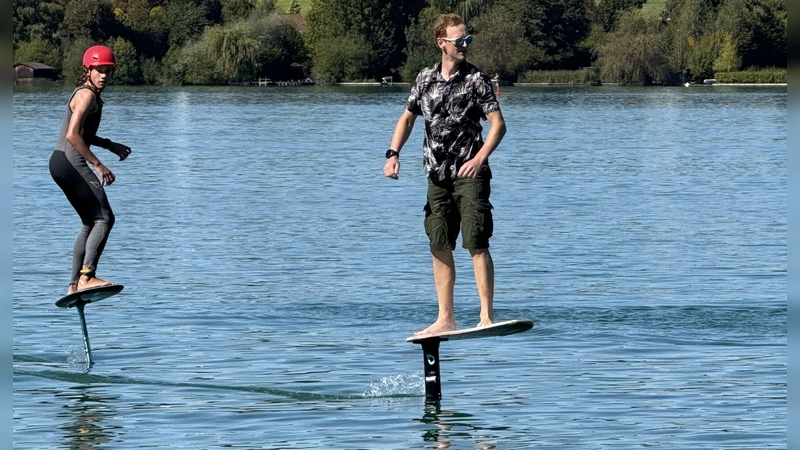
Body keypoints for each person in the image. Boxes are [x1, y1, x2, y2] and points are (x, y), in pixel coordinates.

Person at [383, 13, 506, 336]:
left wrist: (480, 158)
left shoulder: (475, 79)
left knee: (476, 240)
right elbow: (408, 118)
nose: (465, 45)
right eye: (459, 41)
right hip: (436, 175)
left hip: (470, 172)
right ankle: (445, 318)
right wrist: (393, 154)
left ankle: (486, 315)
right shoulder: (425, 79)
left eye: (468, 39)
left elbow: (498, 126)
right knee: (439, 241)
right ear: (442, 44)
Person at [49, 45, 132, 295]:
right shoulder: (86, 95)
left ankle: (73, 285)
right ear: (88, 69)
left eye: (108, 70)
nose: (104, 75)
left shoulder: (90, 95)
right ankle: (88, 276)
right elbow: (73, 135)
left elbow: (85, 133)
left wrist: (108, 144)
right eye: (99, 70)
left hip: (60, 162)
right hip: (70, 162)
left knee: (90, 222)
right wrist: (98, 164)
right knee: (105, 218)